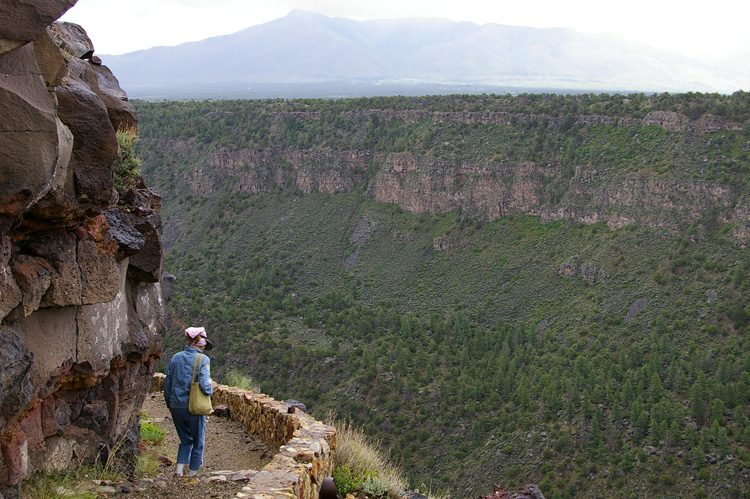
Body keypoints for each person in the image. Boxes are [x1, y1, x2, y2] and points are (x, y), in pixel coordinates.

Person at [163, 326, 214, 477]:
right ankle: (193, 474)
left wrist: (170, 404)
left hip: (176, 406)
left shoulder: (175, 358)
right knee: (198, 442)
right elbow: (205, 386)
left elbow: (167, 385)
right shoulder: (203, 359)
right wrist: (210, 391)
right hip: (194, 407)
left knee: (185, 440)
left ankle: (178, 472)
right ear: (200, 343)